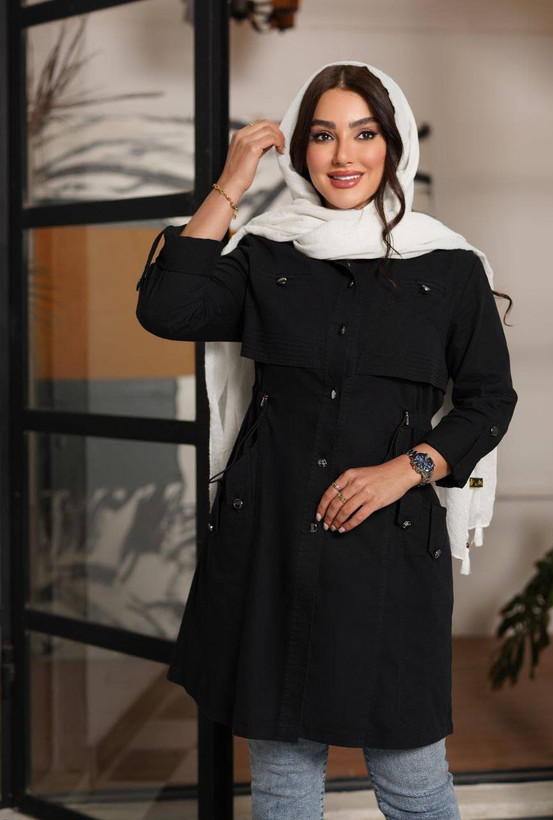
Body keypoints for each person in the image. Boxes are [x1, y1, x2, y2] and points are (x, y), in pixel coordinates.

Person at [136, 60, 517, 820]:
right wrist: (232, 183)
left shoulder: (449, 267)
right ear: (301, 149)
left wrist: (407, 469)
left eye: (364, 134)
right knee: (283, 780)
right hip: (271, 535)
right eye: (322, 135)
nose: (344, 155)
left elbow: (488, 401)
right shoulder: (267, 252)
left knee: (413, 780)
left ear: (394, 145)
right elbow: (168, 308)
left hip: (391, 543)